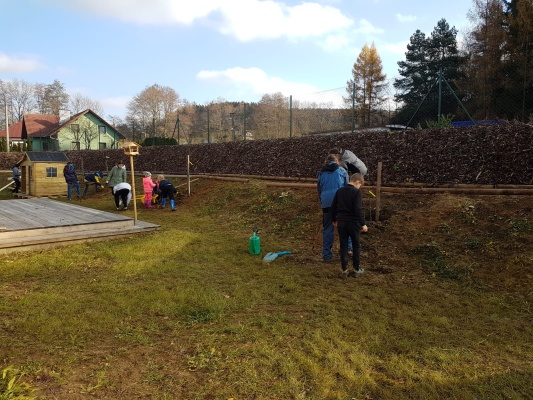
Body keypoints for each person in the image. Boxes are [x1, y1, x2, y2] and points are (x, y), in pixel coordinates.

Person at [331, 173, 368, 277]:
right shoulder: (356, 192)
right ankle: (356, 269)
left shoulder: (340, 191)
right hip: (353, 223)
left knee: (343, 245)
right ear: (357, 182)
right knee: (356, 245)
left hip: (341, 222)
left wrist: (334, 219)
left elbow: (333, 206)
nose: (359, 187)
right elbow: (358, 209)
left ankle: (344, 270)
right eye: (360, 185)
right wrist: (363, 224)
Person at [317, 154, 349, 262]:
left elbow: (319, 189)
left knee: (327, 228)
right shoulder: (342, 171)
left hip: (326, 203)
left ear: (326, 161)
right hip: (340, 201)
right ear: (337, 161)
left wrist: (322, 202)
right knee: (345, 226)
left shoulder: (321, 173)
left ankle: (327, 255)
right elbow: (347, 187)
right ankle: (348, 249)